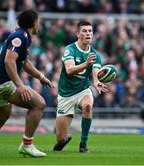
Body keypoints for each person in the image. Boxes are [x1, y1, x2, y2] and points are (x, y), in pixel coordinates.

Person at [0, 10, 53, 158]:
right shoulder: (20, 37)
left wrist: (40, 76)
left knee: (1, 117)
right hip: (4, 83)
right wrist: (20, 85)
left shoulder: (23, 36)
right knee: (39, 104)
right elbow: (9, 60)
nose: (39, 24)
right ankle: (27, 145)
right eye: (38, 21)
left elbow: (24, 63)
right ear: (34, 23)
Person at [53, 21, 108, 153]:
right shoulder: (69, 50)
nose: (88, 33)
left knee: (88, 106)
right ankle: (64, 140)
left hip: (83, 90)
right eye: (84, 31)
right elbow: (70, 70)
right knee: (60, 138)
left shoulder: (96, 55)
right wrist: (85, 63)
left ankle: (83, 144)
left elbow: (95, 73)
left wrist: (96, 82)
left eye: (90, 31)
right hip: (66, 94)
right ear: (78, 34)